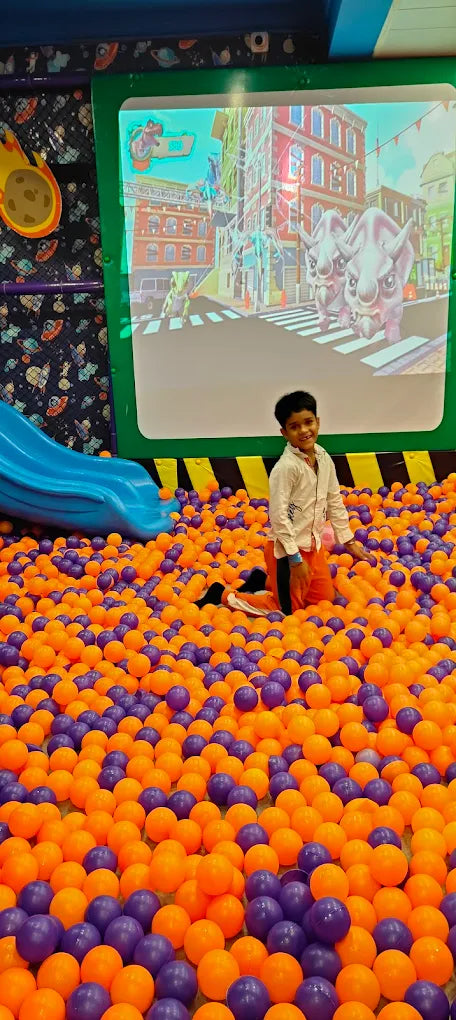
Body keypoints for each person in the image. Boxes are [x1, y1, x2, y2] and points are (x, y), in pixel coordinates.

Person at [197, 390, 370, 616]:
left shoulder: (324, 458)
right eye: (294, 426)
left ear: (318, 422)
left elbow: (334, 500)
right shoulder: (286, 468)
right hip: (287, 554)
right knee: (285, 612)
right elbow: (278, 517)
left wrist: (348, 540)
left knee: (324, 600)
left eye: (308, 422)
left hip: (314, 547)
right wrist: (295, 559)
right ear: (284, 433)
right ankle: (222, 594)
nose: (304, 431)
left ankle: (263, 580)